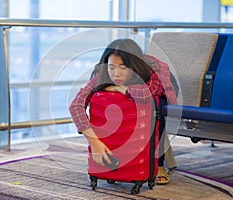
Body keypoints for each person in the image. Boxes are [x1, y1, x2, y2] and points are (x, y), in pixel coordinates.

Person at [69, 38, 177, 184]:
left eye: (123, 67)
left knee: (156, 107)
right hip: (135, 91)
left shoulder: (153, 68)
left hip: (160, 92)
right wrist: (94, 141)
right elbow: (76, 105)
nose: (116, 74)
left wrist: (122, 88)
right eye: (112, 67)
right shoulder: (104, 72)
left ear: (134, 66)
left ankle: (158, 164)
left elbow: (148, 93)